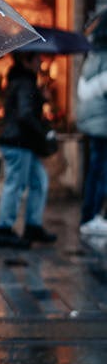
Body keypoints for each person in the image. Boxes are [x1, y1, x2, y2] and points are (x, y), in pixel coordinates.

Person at [0, 51, 58, 249]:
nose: (41, 61)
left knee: (39, 182)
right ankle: (4, 231)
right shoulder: (24, 82)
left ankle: (33, 226)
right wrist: (43, 133)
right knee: (15, 185)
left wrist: (41, 98)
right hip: (18, 142)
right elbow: (25, 115)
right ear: (26, 60)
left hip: (23, 142)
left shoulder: (25, 80)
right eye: (37, 58)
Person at [76, 27, 107, 235]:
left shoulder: (92, 57)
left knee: (95, 170)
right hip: (102, 123)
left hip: (92, 122)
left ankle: (89, 215)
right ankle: (93, 216)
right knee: (102, 171)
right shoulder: (105, 58)